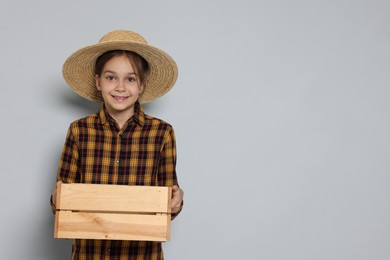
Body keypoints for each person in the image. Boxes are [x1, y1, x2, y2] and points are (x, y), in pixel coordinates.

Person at [50, 30, 184, 260]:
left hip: (142, 254)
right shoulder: (79, 131)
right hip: (90, 254)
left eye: (130, 79)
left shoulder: (161, 133)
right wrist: (57, 198)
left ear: (141, 85)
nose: (120, 87)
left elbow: (166, 205)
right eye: (111, 77)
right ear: (98, 81)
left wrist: (175, 202)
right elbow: (64, 201)